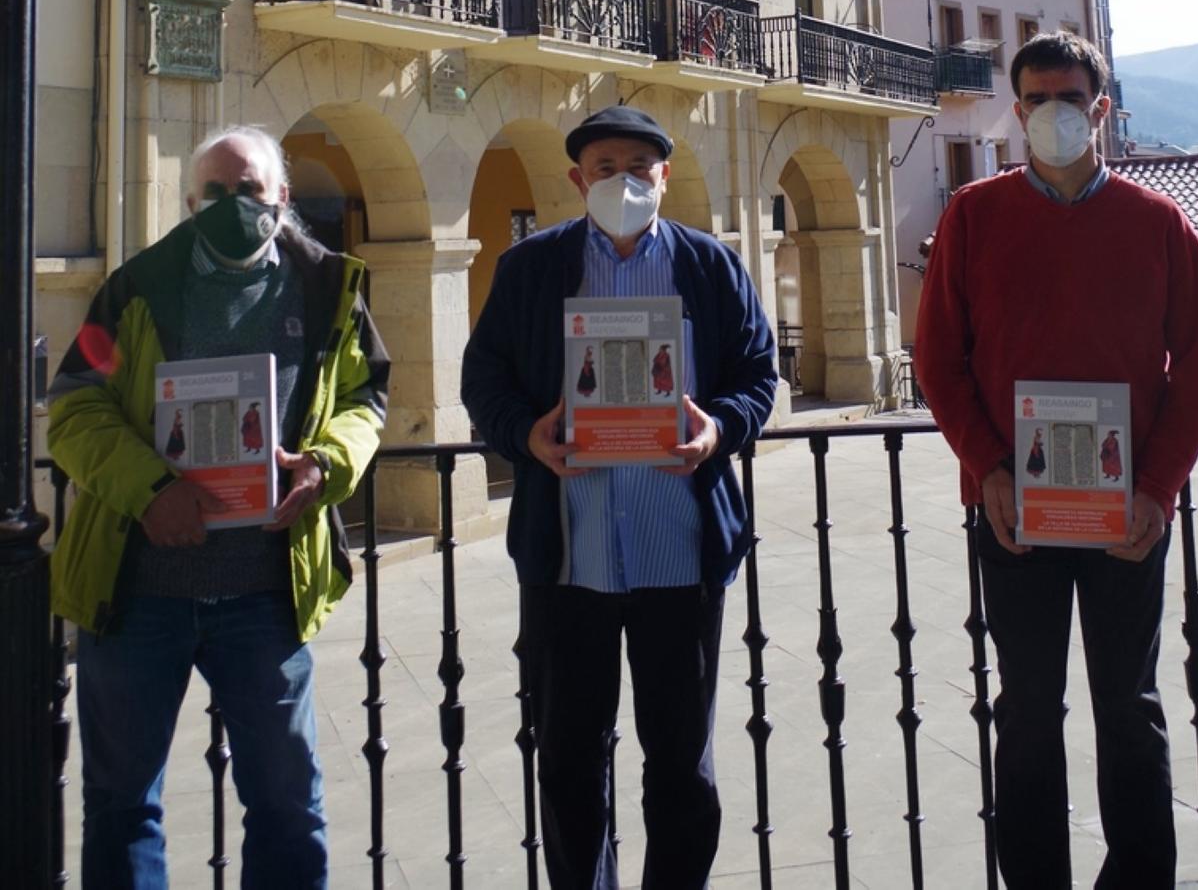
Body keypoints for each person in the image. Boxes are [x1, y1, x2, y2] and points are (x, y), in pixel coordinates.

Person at [914, 32, 1198, 889]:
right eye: (1038, 98)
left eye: (1071, 97)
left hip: (1129, 511)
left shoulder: (1161, 224)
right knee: (1026, 713)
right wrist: (990, 470)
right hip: (1015, 509)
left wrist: (1158, 490)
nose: (1055, 112)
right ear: (1016, 113)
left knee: (1130, 707)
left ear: (1102, 109)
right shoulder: (972, 217)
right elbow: (938, 360)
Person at [48, 126, 390, 889]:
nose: (234, 207)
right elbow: (73, 406)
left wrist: (327, 465)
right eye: (216, 194)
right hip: (136, 591)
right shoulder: (135, 288)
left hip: (265, 593)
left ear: (283, 198)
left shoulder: (329, 288)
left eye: (251, 191)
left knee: (286, 805)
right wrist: (151, 490)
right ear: (191, 200)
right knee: (122, 804)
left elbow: (366, 398)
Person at [461, 105, 776, 890]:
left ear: (664, 177)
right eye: (605, 168)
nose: (624, 181)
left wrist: (721, 431)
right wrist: (525, 435)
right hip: (571, 559)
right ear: (577, 180)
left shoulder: (710, 266)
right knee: (568, 762)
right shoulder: (531, 269)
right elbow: (484, 378)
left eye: (640, 167)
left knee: (681, 764)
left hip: (681, 552)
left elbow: (758, 375)